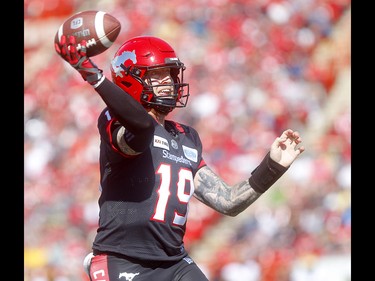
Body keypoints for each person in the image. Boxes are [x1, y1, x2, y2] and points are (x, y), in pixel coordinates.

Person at [55, 34, 305, 281]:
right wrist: (94, 76)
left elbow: (229, 201)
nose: (169, 82)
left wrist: (272, 166)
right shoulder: (113, 120)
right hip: (123, 259)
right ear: (130, 80)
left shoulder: (186, 137)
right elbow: (142, 128)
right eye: (157, 75)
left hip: (174, 262)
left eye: (170, 74)